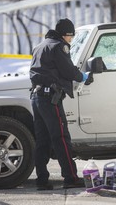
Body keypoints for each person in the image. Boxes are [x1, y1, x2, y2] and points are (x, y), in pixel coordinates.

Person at [29, 18, 88, 190]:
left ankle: (41, 181)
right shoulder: (59, 46)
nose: (71, 40)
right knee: (61, 137)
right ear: (66, 34)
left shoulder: (40, 46)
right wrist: (83, 76)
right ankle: (70, 178)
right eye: (71, 37)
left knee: (42, 140)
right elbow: (68, 70)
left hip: (37, 97)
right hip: (50, 98)